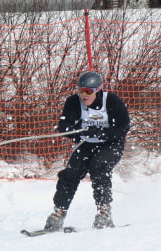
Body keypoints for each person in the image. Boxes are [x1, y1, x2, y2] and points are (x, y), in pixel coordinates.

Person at [44, 70, 130, 231]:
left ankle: (104, 213)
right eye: (80, 90)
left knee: (99, 167)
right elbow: (64, 125)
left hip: (110, 144)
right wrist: (80, 131)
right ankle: (58, 213)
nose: (84, 95)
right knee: (70, 173)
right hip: (86, 144)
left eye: (88, 91)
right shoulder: (74, 102)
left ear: (98, 90)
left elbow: (123, 127)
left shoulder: (111, 101)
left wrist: (101, 133)